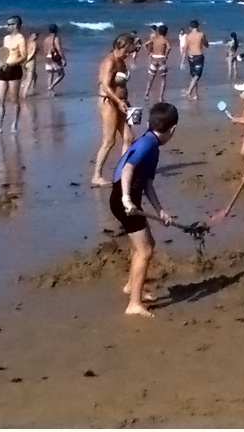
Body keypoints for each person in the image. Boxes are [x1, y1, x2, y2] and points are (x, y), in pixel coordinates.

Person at [110, 102, 178, 316]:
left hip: (128, 199)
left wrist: (160, 211)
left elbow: (148, 184)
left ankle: (132, 287)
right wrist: (127, 199)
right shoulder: (147, 144)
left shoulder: (152, 145)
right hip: (123, 200)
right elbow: (128, 168)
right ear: (172, 129)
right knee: (145, 250)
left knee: (145, 245)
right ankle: (134, 304)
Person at [89, 32, 139, 186]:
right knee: (109, 141)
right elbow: (104, 85)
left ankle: (123, 169)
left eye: (130, 52)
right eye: (127, 51)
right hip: (108, 103)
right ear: (120, 46)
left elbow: (120, 85)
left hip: (121, 103)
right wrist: (118, 101)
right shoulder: (109, 62)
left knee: (129, 137)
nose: (129, 54)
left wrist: (124, 101)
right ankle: (96, 175)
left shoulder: (121, 62)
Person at [0, 16, 33, 134]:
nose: (7, 26)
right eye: (7, 24)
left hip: (15, 69)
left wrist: (11, 64)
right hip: (4, 69)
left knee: (14, 99)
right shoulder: (6, 38)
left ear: (15, 25)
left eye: (9, 24)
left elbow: (23, 56)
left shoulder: (20, 38)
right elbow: (3, 55)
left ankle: (14, 125)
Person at [143, 25, 171, 104]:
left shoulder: (155, 39)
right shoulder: (165, 40)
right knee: (163, 79)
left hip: (154, 58)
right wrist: (166, 55)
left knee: (151, 78)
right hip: (161, 59)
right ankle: (160, 97)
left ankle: (147, 93)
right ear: (166, 32)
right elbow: (169, 48)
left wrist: (150, 53)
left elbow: (145, 45)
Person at [182, 20, 207, 101]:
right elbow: (206, 44)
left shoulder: (187, 36)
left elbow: (185, 49)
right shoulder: (201, 34)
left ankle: (196, 95)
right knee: (197, 75)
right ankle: (189, 91)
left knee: (193, 76)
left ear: (190, 27)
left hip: (190, 57)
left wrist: (182, 61)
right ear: (198, 26)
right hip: (198, 56)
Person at [41, 25, 67, 93]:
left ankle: (50, 92)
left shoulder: (46, 39)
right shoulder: (56, 38)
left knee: (50, 75)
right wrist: (63, 59)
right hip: (54, 58)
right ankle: (51, 86)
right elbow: (59, 49)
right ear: (56, 30)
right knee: (61, 74)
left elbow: (45, 50)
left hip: (48, 57)